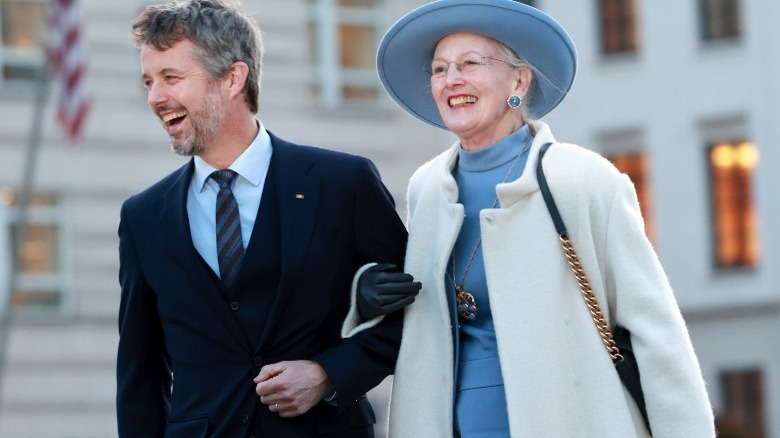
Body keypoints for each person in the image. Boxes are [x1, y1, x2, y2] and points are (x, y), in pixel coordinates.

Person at [351, 0, 716, 436]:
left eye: (470, 63)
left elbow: (657, 336)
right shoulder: (427, 188)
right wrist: (366, 297)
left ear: (519, 80)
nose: (452, 80)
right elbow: (423, 321)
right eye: (439, 69)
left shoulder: (582, 180)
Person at [116, 0, 418, 436]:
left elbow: (416, 310)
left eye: (171, 78)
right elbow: (139, 376)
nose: (156, 98)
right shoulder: (143, 216)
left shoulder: (342, 183)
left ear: (233, 78)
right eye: (149, 81)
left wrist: (329, 373)